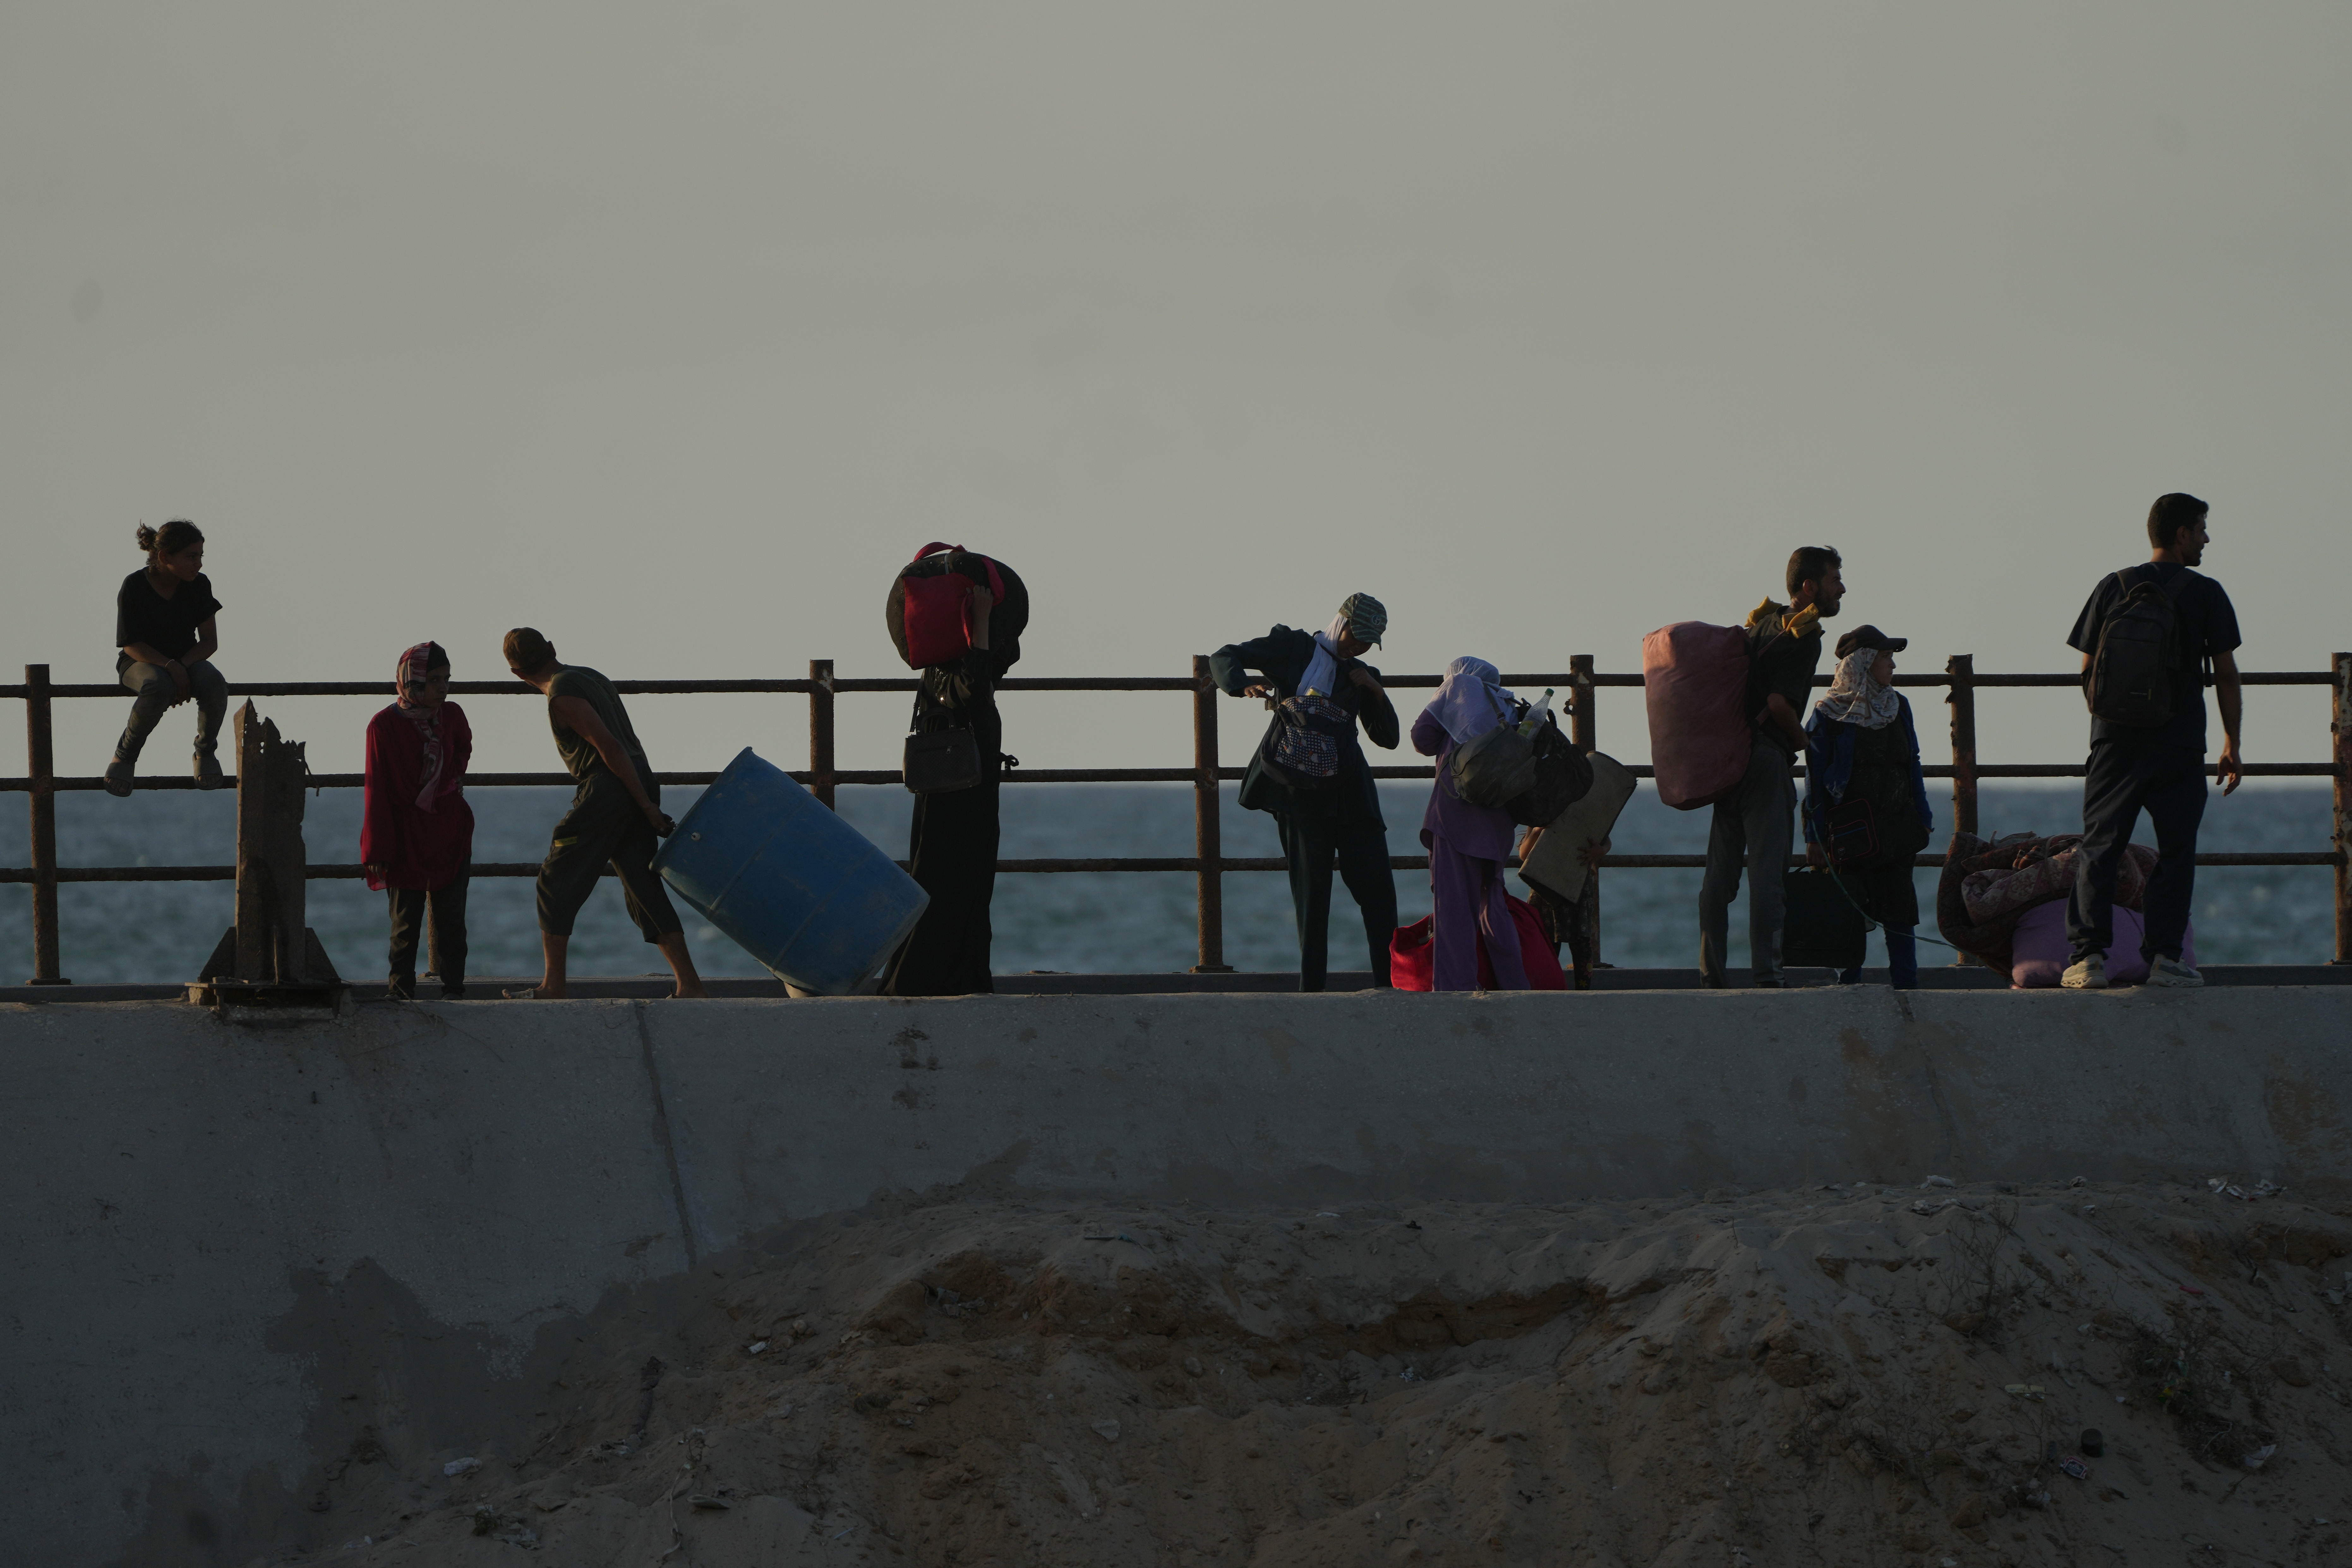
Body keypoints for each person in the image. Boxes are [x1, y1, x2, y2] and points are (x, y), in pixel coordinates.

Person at [2060, 493, 2243, 989]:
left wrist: (2110, 722)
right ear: (2181, 534)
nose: (2206, 538)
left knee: (2100, 847)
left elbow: (2085, 668)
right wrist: (2232, 741)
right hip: (2179, 742)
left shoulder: (2112, 585)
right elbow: (2225, 674)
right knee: (2175, 851)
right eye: (2201, 529)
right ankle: (2165, 959)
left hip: (2113, 742)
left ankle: (2087, 960)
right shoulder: (2206, 592)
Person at [502, 628, 707, 1000]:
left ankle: (553, 986)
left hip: (608, 787)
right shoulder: (590, 676)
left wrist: (645, 807)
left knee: (556, 877)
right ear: (552, 648)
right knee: (642, 884)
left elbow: (608, 746)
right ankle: (690, 984)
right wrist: (644, 798)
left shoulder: (562, 695)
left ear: (517, 674)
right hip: (639, 778)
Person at [1210, 595, 1399, 990]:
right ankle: (1311, 994)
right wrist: (1241, 684)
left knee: (1378, 893)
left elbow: (1388, 739)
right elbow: (1224, 656)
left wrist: (1376, 692)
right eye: (1355, 636)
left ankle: (1390, 987)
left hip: (1352, 795)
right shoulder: (1292, 647)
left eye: (1367, 642)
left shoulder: (1361, 672)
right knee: (1312, 900)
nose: (1357, 646)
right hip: (1299, 793)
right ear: (1340, 621)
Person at [881, 545, 1030, 996]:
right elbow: (976, 687)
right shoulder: (965, 672)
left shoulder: (931, 672)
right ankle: (946, 974)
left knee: (930, 871)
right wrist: (981, 618)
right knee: (965, 877)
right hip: (970, 782)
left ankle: (919, 969)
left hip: (937, 781)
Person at [1699, 546, 1845, 987]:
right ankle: (1766, 975)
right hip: (1764, 761)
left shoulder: (1760, 622)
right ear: (1810, 587)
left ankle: (1711, 974)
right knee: (1767, 876)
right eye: (1835, 578)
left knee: (1718, 878)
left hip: (1729, 758)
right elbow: (1780, 703)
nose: (1842, 588)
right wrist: (1802, 741)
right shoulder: (1805, 634)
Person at [1801, 627, 1931, 989]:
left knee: (1901, 913)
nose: (1892, 665)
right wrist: (1815, 835)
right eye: (1886, 657)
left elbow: (1913, 762)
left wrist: (1923, 817)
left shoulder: (1898, 706)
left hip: (1896, 826)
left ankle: (1907, 989)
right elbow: (1814, 776)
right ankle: (1849, 991)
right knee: (1849, 915)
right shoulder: (1828, 715)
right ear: (1864, 663)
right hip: (1849, 831)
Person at [360, 642, 474, 1000]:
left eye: (447, 680)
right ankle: (400, 992)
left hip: (449, 829)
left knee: (452, 919)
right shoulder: (382, 726)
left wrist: (447, 786)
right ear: (411, 683)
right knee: (405, 922)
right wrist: (378, 848)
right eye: (434, 680)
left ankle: (455, 989)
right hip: (405, 833)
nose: (443, 688)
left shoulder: (452, 716)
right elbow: (377, 788)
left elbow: (463, 750)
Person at [1411, 658, 1530, 991]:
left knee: (1453, 910)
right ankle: (1515, 985)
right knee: (1493, 904)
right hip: (1498, 822)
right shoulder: (1508, 706)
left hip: (1455, 817)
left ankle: (1455, 990)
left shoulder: (1457, 688)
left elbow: (1422, 739)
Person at [106, 520, 229, 796]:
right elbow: (130, 645)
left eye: (200, 556)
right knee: (157, 684)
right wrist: (170, 667)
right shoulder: (135, 585)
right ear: (164, 557)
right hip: (139, 662)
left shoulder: (200, 585)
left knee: (214, 682)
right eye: (191, 557)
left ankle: (205, 753)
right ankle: (124, 757)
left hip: (186, 661)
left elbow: (209, 642)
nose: (198, 564)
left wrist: (182, 666)